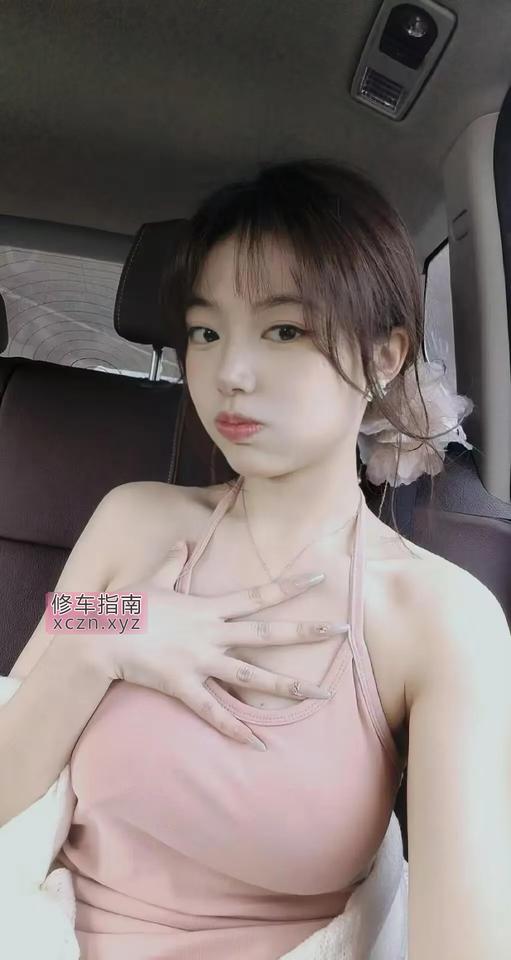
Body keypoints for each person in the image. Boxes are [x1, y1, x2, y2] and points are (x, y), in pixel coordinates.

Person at [2, 159, 510, 960]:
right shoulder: (131, 519)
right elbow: (61, 629)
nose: (229, 375)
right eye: (206, 332)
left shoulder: (441, 619)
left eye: (283, 330)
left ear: (384, 356)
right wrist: (112, 633)